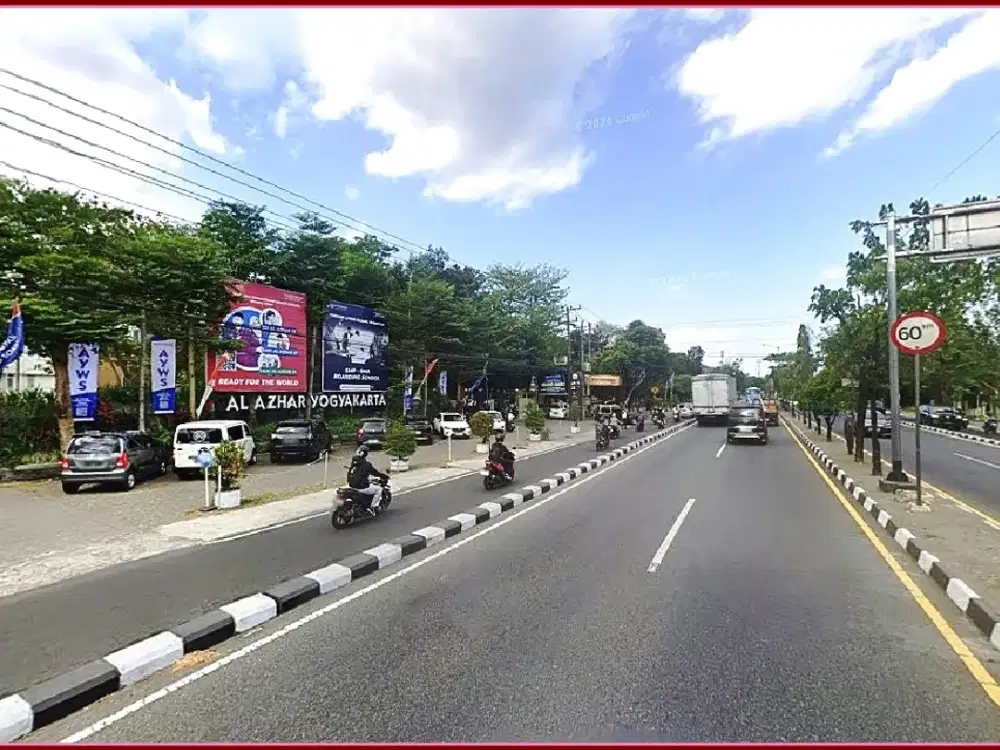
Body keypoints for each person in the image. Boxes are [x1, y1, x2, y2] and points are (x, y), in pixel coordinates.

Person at [346, 445, 389, 514]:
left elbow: (359, 473)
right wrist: (385, 476)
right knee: (378, 489)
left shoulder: (354, 462)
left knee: (369, 484)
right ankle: (372, 507)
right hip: (361, 487)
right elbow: (375, 473)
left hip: (352, 485)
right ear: (365, 454)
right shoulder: (366, 464)